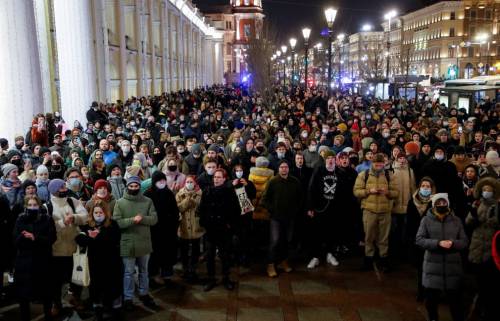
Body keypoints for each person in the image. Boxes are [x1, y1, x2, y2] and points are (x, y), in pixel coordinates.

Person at [416, 193, 469, 321]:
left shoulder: (456, 221)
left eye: (443, 203)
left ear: (448, 204)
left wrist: (453, 243)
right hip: (432, 268)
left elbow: (464, 241)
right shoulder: (426, 220)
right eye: (438, 203)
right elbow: (419, 240)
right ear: (434, 205)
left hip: (453, 269)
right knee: (431, 301)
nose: (441, 205)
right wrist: (437, 243)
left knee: (456, 302)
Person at [113, 176, 158, 310]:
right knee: (128, 272)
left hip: (144, 241)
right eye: (131, 186)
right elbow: (117, 223)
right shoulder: (120, 203)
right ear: (127, 187)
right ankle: (128, 297)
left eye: (136, 186)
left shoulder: (148, 201)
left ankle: (144, 293)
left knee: (144, 271)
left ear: (139, 186)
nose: (133, 188)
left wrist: (142, 218)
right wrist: (133, 220)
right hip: (128, 242)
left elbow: (154, 219)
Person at [75, 200, 122, 321]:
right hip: (94, 263)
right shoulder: (88, 225)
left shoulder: (113, 224)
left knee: (112, 287)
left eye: (101, 212)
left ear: (106, 213)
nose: (98, 214)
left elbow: (113, 240)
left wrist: (96, 238)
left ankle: (115, 310)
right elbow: (79, 238)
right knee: (95, 288)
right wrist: (90, 238)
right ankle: (98, 310)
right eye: (96, 212)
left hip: (111, 263)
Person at [47, 178, 88, 316]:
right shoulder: (47, 206)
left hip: (74, 247)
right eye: (62, 188)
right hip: (56, 249)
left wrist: (75, 217)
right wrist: (63, 223)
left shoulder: (72, 201)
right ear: (54, 190)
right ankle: (56, 304)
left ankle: (76, 298)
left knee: (76, 278)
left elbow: (85, 216)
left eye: (65, 187)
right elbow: (48, 228)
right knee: (56, 281)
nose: (65, 189)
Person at [13, 195, 56, 321]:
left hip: (42, 261)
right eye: (30, 205)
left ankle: (48, 315)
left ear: (39, 206)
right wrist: (23, 236)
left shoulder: (47, 219)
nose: (32, 207)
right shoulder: (20, 219)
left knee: (46, 292)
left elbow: (52, 238)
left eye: (35, 205)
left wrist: (35, 238)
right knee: (23, 294)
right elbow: (15, 240)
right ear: (26, 206)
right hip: (24, 262)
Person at [353, 153, 398, 272]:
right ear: (372, 164)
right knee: (369, 237)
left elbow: (396, 193)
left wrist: (387, 192)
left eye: (381, 165)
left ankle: (383, 260)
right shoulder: (364, 175)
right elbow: (356, 191)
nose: (379, 167)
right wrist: (368, 191)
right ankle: (368, 260)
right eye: (376, 165)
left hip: (385, 211)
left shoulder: (389, 175)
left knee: (383, 238)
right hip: (369, 211)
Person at [199, 168, 240, 291]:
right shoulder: (207, 191)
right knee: (210, 255)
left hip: (224, 229)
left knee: (225, 255)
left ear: (224, 179)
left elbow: (235, 210)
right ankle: (211, 279)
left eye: (218, 177)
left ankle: (226, 278)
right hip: (211, 228)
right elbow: (202, 209)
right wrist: (205, 223)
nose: (216, 179)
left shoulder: (229, 192)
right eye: (215, 177)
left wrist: (230, 225)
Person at [465, 177, 500, 321]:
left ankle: (487, 307)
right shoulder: (477, 203)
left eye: (489, 190)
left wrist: (494, 219)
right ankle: (479, 306)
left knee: (490, 281)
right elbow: (468, 223)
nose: (486, 192)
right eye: (484, 190)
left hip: (492, 246)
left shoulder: (498, 206)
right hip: (477, 244)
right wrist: (473, 215)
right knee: (479, 279)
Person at [261, 160, 303, 277]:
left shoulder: (295, 182)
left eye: (286, 167)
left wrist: (295, 210)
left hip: (290, 217)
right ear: (278, 169)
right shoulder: (273, 182)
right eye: (282, 167)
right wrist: (273, 209)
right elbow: (264, 200)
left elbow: (300, 198)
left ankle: (283, 261)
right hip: (276, 217)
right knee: (275, 241)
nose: (284, 169)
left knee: (287, 240)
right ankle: (270, 264)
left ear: (288, 169)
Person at [306, 150, 341, 269]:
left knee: (332, 232)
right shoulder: (319, 170)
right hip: (319, 207)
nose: (330, 160)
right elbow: (311, 188)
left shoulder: (339, 172)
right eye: (328, 158)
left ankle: (330, 254)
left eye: (332, 158)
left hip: (334, 208)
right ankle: (315, 257)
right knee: (317, 232)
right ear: (325, 160)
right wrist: (310, 207)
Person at [144, 171, 180, 285]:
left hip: (168, 230)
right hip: (153, 230)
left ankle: (167, 275)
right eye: (159, 181)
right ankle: (151, 277)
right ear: (154, 182)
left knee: (167, 253)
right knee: (153, 255)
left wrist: (174, 225)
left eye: (164, 180)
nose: (162, 183)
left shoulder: (168, 193)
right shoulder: (148, 194)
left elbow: (175, 211)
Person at [405, 177, 436, 302]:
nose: (425, 188)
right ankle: (421, 291)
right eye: (423, 186)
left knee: (430, 268)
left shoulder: (435, 202)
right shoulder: (412, 202)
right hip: (416, 238)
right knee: (420, 268)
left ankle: (430, 291)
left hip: (430, 239)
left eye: (428, 186)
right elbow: (409, 222)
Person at [176, 176, 204, 281]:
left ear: (195, 183)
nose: (189, 183)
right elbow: (179, 208)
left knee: (196, 249)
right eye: (187, 182)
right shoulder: (179, 194)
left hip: (196, 226)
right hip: (183, 226)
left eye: (191, 182)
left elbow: (200, 207)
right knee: (184, 249)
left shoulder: (200, 194)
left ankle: (193, 268)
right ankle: (185, 268)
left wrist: (193, 199)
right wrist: (187, 200)